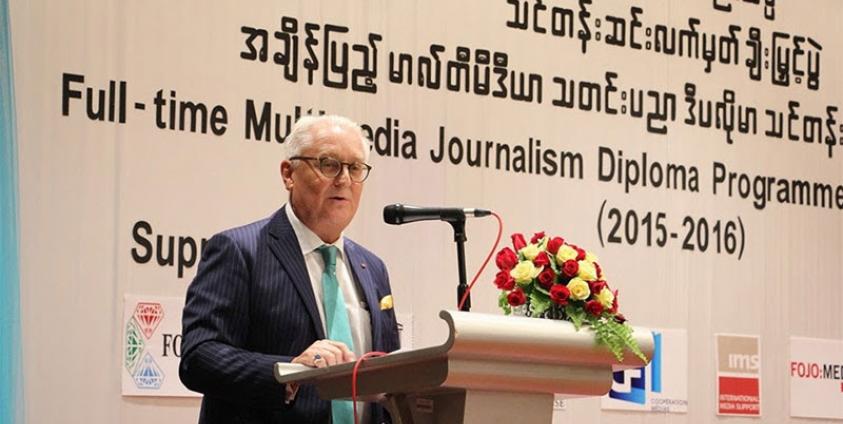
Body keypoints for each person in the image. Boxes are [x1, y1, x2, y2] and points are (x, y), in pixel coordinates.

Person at [179, 115, 400, 424]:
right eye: (329, 164)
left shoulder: (373, 268)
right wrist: (290, 371)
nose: (344, 180)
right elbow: (198, 358)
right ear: (288, 173)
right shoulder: (240, 251)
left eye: (355, 168)